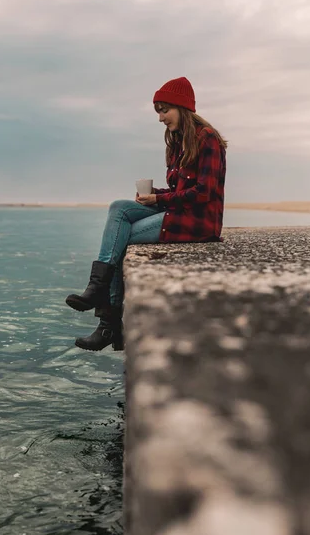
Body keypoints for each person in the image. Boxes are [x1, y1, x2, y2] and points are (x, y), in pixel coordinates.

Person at [65, 76, 227, 351]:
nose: (161, 118)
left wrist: (159, 198)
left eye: (165, 110)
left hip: (197, 221)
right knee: (119, 207)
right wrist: (154, 196)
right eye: (158, 111)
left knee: (122, 238)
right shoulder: (178, 141)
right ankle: (97, 290)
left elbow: (203, 193)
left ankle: (108, 323)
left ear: (183, 108)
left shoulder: (206, 138)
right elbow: (179, 189)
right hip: (179, 210)